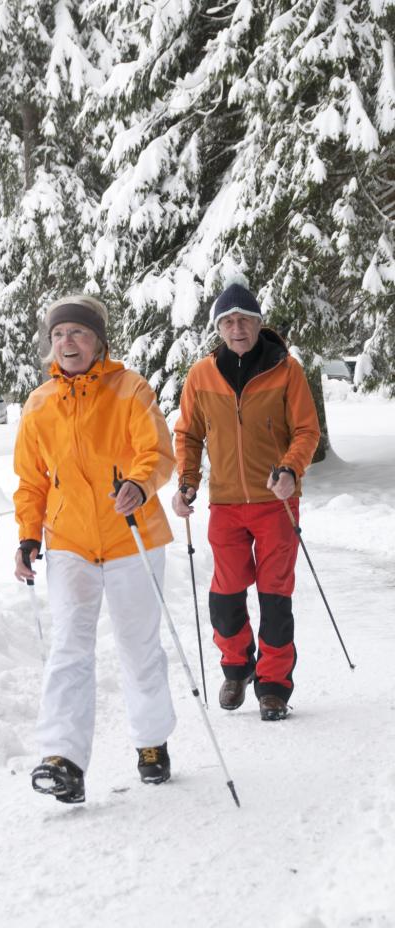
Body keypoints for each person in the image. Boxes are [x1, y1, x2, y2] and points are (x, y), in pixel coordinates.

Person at [13, 294, 177, 803]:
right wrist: (28, 536)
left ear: (98, 341)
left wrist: (140, 483)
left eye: (78, 334)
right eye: (59, 334)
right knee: (69, 648)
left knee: (138, 646)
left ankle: (151, 741)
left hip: (132, 537)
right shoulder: (39, 405)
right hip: (71, 543)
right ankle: (63, 758)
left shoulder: (130, 390)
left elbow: (158, 453)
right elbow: (30, 480)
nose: (67, 342)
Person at [172, 282, 320, 721]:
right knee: (226, 594)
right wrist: (187, 481)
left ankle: (273, 685)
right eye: (228, 321)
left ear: (259, 323)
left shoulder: (286, 369)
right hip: (226, 504)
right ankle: (236, 669)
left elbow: (307, 431)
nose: (237, 328)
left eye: (244, 320)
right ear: (220, 328)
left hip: (277, 503)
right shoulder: (202, 374)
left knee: (275, 596)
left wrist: (291, 470)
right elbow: (188, 433)